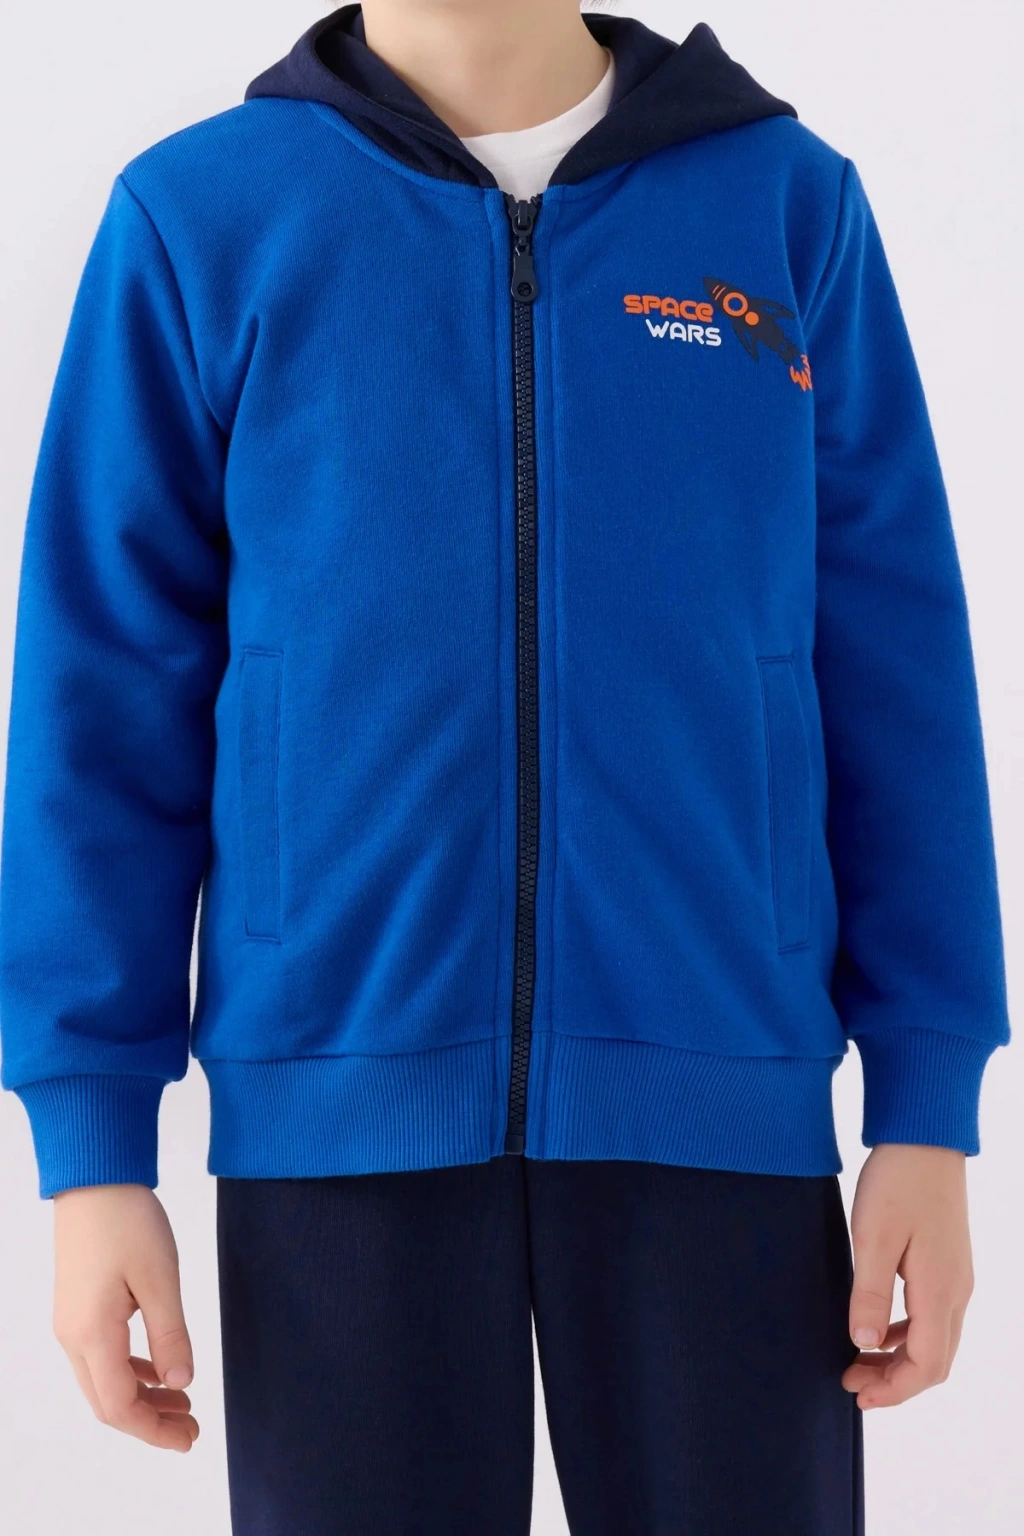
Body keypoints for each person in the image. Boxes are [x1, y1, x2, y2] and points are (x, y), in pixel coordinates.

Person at [0, 2, 1011, 1532]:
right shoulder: (201, 216)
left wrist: (926, 1109)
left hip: (717, 1086)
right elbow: (100, 702)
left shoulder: (783, 206)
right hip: (338, 1100)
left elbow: (898, 674)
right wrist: (92, 1153)